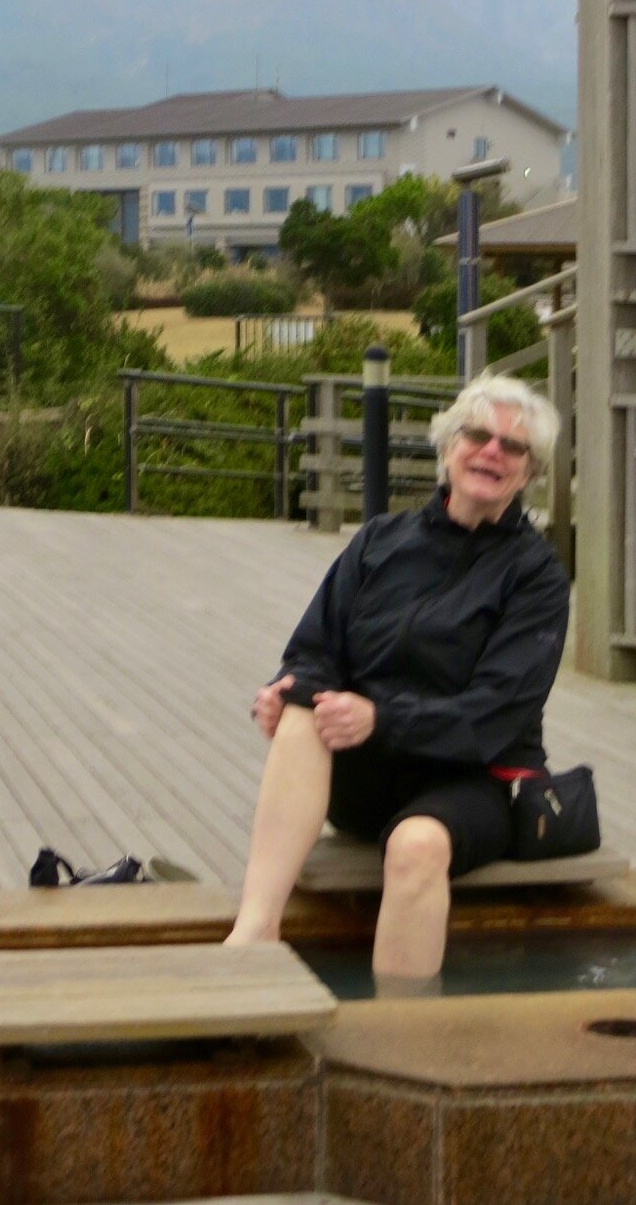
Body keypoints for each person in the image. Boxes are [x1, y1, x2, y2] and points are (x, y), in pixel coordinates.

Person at [224, 372, 568, 992]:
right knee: (302, 707)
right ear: (447, 447)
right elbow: (315, 650)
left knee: (415, 848)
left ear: (529, 473)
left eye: (512, 448)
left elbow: (496, 714)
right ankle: (255, 932)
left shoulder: (535, 577)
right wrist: (285, 690)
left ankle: (397, 1026)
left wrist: (380, 717)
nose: (491, 452)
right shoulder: (382, 541)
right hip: (370, 775)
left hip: (469, 784)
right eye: (478, 436)